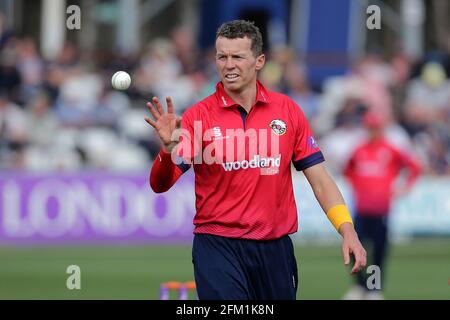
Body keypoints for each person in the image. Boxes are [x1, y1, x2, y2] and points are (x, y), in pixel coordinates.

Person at [145, 20, 366, 300]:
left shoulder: (287, 111)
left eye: (237, 56)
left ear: (259, 60)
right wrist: (166, 150)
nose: (228, 65)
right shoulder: (197, 117)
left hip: (275, 250)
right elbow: (160, 184)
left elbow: (320, 180)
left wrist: (347, 230)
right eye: (222, 57)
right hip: (218, 246)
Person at [343, 110, 421, 300]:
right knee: (354, 247)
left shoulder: (390, 149)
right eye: (369, 128)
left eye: (375, 128)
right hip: (361, 209)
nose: (372, 131)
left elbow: (414, 167)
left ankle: (374, 288)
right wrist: (360, 187)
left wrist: (404, 187)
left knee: (378, 252)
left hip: (381, 211)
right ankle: (360, 286)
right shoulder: (359, 150)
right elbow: (348, 170)